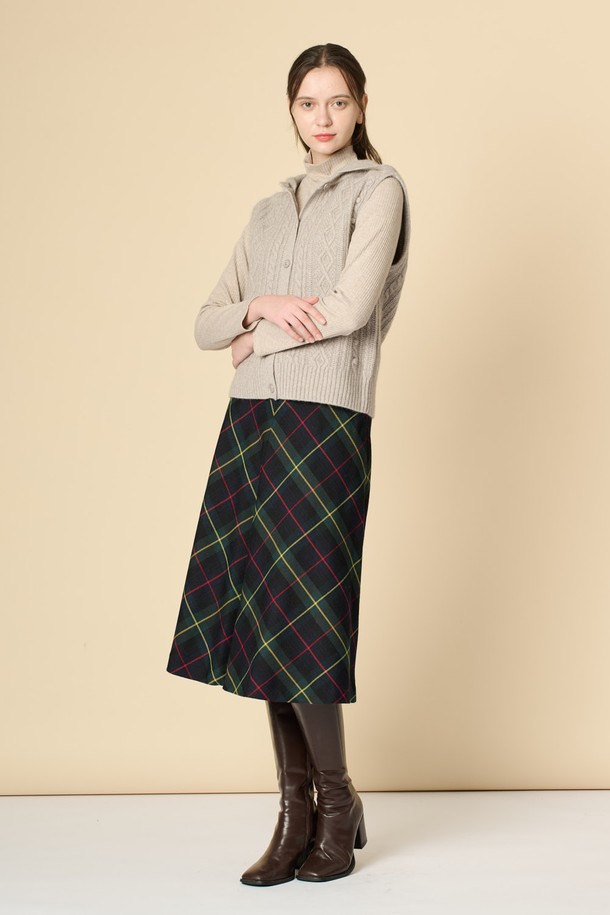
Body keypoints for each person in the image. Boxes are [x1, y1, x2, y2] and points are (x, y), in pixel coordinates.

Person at [166, 42, 411, 886]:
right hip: (252, 420)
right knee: (263, 613)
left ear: (361, 105)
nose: (323, 117)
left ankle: (336, 806)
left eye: (338, 101)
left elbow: (351, 306)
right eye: (309, 103)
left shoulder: (380, 190)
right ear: (292, 111)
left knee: (308, 611)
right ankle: (294, 808)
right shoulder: (268, 211)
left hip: (327, 417)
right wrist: (260, 307)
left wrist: (254, 338)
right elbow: (205, 322)